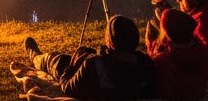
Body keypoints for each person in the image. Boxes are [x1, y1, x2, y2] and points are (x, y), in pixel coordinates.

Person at [23, 14, 155, 100]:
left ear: (111, 39)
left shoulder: (95, 64)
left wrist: (73, 65)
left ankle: (35, 56)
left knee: (53, 59)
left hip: (65, 69)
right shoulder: (145, 64)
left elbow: (67, 87)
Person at [145, 8, 207, 101]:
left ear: (166, 31)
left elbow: (153, 67)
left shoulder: (164, 59)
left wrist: (150, 45)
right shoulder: (199, 48)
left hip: (175, 96)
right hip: (197, 93)